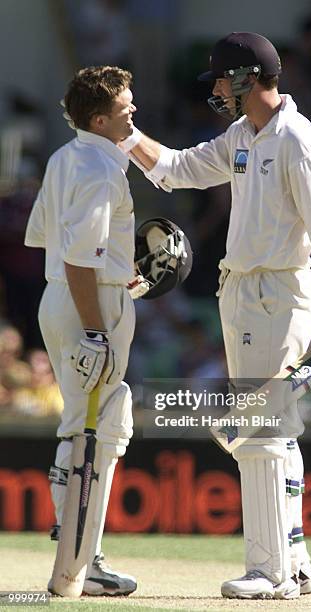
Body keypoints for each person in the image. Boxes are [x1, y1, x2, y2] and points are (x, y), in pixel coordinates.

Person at [120, 32, 311, 600]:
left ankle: (269, 571)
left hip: (279, 292)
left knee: (258, 429)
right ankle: (295, 561)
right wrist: (127, 136)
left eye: (223, 81)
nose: (218, 92)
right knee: (277, 428)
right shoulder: (242, 135)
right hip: (242, 293)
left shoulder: (298, 140)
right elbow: (179, 168)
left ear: (247, 78)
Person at [24, 66, 139, 596]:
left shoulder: (66, 156)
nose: (133, 111)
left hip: (67, 299)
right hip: (88, 305)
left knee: (81, 424)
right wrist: (96, 329)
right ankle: (81, 562)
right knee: (100, 427)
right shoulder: (99, 167)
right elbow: (78, 258)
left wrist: (123, 274)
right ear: (99, 118)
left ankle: (76, 549)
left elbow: (53, 240)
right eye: (124, 108)